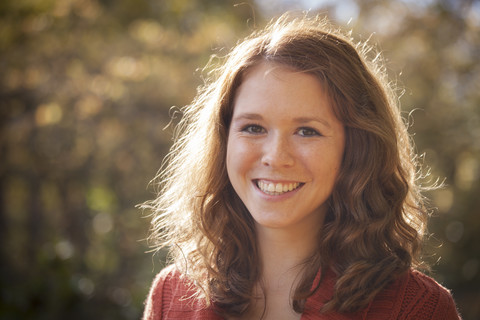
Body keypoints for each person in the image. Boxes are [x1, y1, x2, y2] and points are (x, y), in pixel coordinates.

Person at [142, 13, 461, 320]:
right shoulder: (169, 295)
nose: (275, 156)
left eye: (307, 131)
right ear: (224, 139)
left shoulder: (418, 309)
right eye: (253, 127)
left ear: (355, 148)